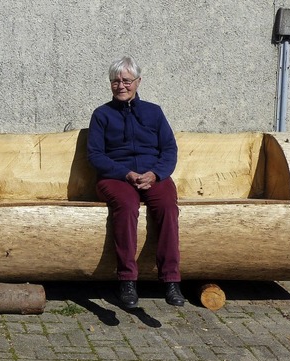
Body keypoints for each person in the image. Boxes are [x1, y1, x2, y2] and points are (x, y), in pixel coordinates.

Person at [87, 55, 185, 308]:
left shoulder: (154, 112)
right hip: (116, 177)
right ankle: (127, 280)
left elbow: (169, 150)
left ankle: (171, 280)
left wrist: (156, 174)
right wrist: (126, 174)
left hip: (152, 175)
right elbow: (95, 155)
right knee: (127, 206)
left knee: (166, 206)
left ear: (138, 82)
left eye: (126, 81)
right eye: (115, 81)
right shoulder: (101, 115)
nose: (121, 86)